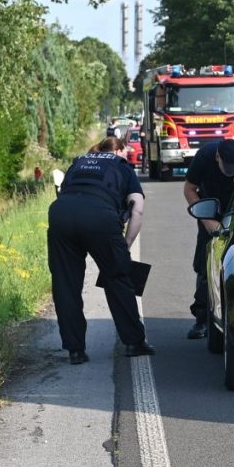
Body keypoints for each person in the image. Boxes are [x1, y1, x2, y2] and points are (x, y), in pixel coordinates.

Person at [47, 136, 154, 364]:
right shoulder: (122, 167)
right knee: (117, 276)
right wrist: (124, 247)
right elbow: (137, 210)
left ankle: (75, 350)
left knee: (65, 283)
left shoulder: (78, 161)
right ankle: (134, 342)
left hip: (61, 214)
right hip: (99, 217)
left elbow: (65, 190)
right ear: (122, 151)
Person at [183, 138, 234, 339]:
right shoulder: (205, 157)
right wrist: (207, 221)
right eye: (227, 168)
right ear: (217, 158)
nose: (232, 172)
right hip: (209, 211)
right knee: (205, 266)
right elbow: (189, 189)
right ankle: (201, 320)